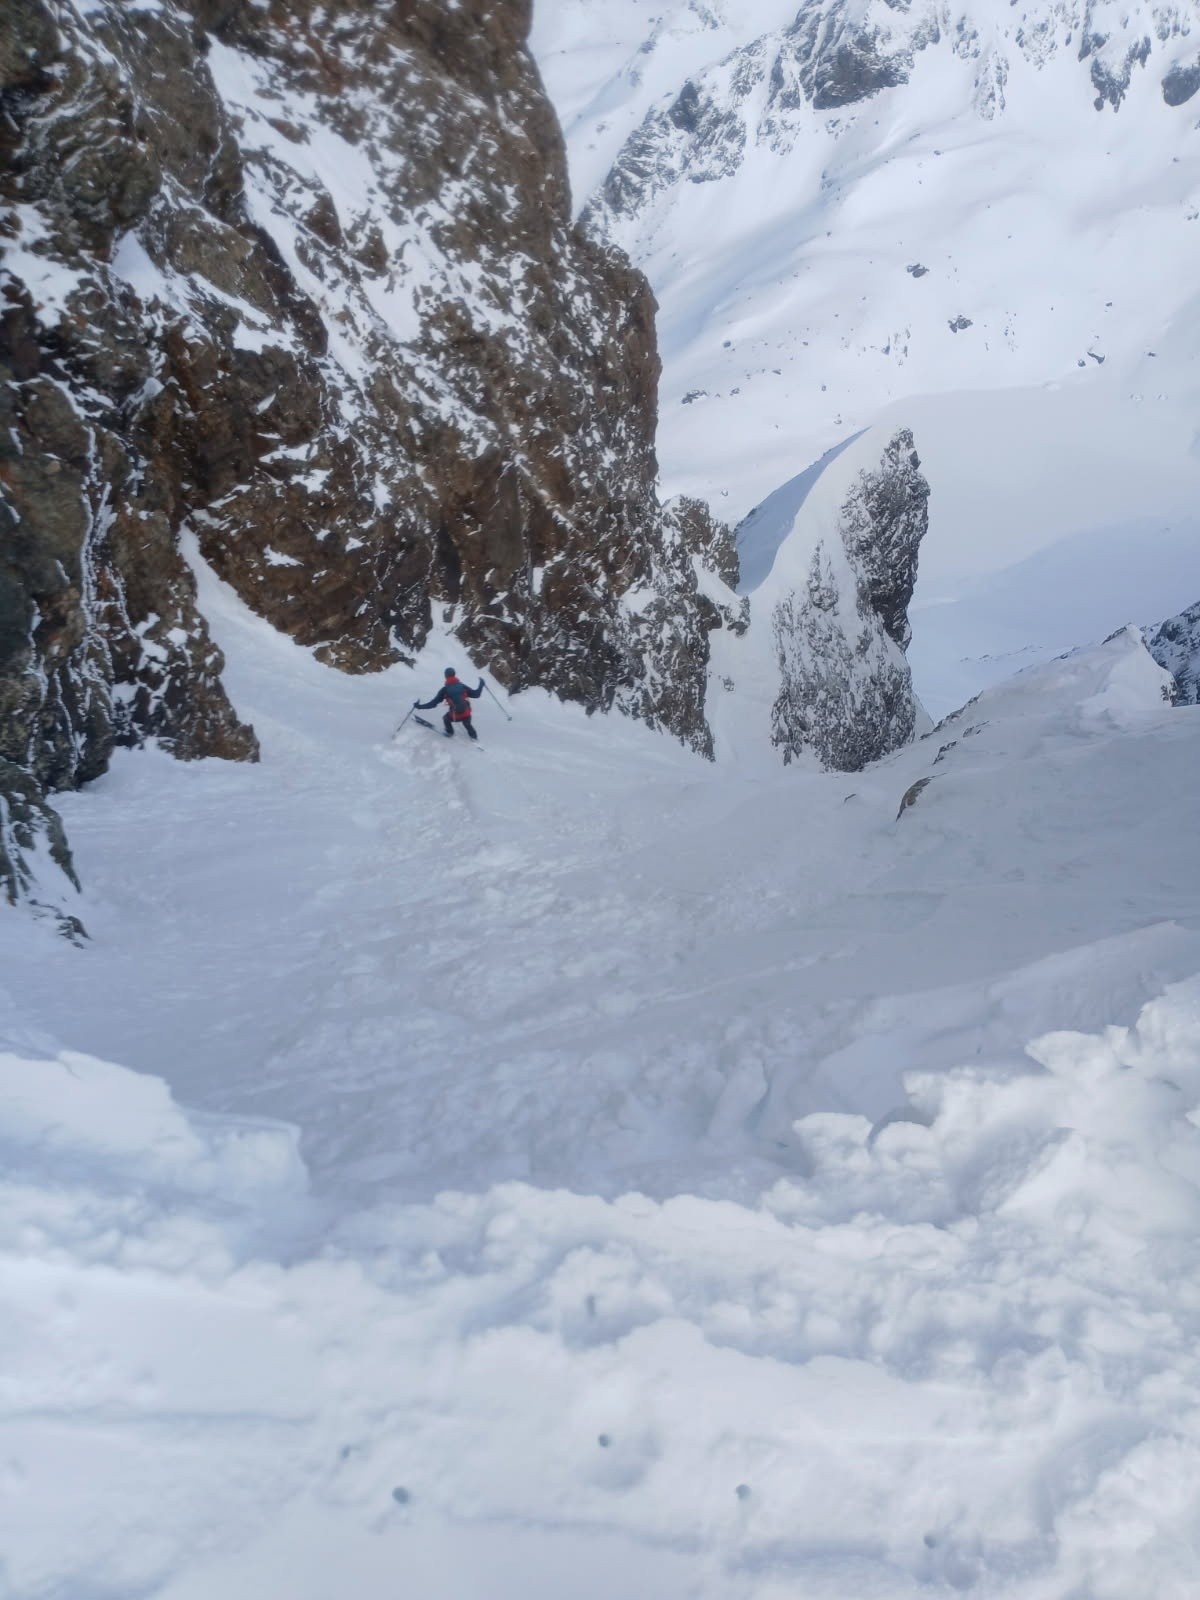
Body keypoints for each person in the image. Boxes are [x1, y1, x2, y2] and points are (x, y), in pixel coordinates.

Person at [415, 668, 485, 739]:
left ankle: (449, 732)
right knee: (466, 721)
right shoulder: (462, 686)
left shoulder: (445, 690)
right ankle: (473, 736)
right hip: (467, 714)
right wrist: (481, 684)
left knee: (446, 718)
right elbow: (476, 694)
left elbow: (433, 704)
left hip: (455, 716)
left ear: (445, 676)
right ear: (454, 674)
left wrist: (419, 706)